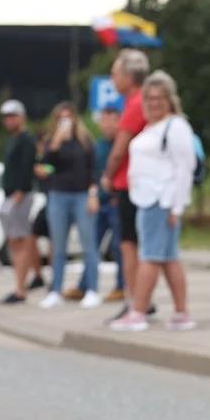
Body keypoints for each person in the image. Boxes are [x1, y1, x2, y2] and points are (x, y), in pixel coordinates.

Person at [108, 72, 197, 332]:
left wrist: (177, 206)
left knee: (149, 257)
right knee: (168, 258)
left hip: (162, 200)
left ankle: (138, 311)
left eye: (159, 98)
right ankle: (181, 313)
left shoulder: (176, 126)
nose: (153, 103)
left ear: (170, 100)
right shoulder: (151, 127)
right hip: (147, 200)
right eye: (149, 98)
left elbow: (184, 168)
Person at [34, 101, 102, 310]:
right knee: (58, 247)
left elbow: (93, 170)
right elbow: (45, 164)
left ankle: (92, 289)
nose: (65, 121)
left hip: (82, 194)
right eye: (60, 118)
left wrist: (93, 193)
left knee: (88, 245)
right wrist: (55, 142)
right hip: (58, 195)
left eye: (68, 117)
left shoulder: (85, 141)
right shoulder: (52, 142)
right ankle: (55, 290)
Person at [99, 49, 151, 321]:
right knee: (140, 245)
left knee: (129, 245)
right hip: (142, 183)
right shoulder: (144, 100)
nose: (112, 78)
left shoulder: (134, 103)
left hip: (128, 183)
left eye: (115, 73)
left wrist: (107, 175)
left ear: (129, 76)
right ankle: (142, 298)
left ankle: (135, 301)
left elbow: (119, 149)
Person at [0, 99, 40, 304]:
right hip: (10, 195)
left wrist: (21, 191)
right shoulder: (12, 140)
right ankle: (21, 284)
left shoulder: (26, 140)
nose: (9, 120)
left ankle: (21, 289)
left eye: (12, 116)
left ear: (21, 117)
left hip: (19, 196)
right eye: (6, 117)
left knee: (20, 240)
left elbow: (27, 167)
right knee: (15, 241)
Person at [90, 107, 125, 301]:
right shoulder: (99, 146)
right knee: (92, 244)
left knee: (119, 247)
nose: (107, 126)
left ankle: (122, 286)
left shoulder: (123, 143)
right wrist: (93, 194)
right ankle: (86, 285)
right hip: (100, 202)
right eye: (103, 122)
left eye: (111, 121)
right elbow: (93, 175)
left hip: (117, 201)